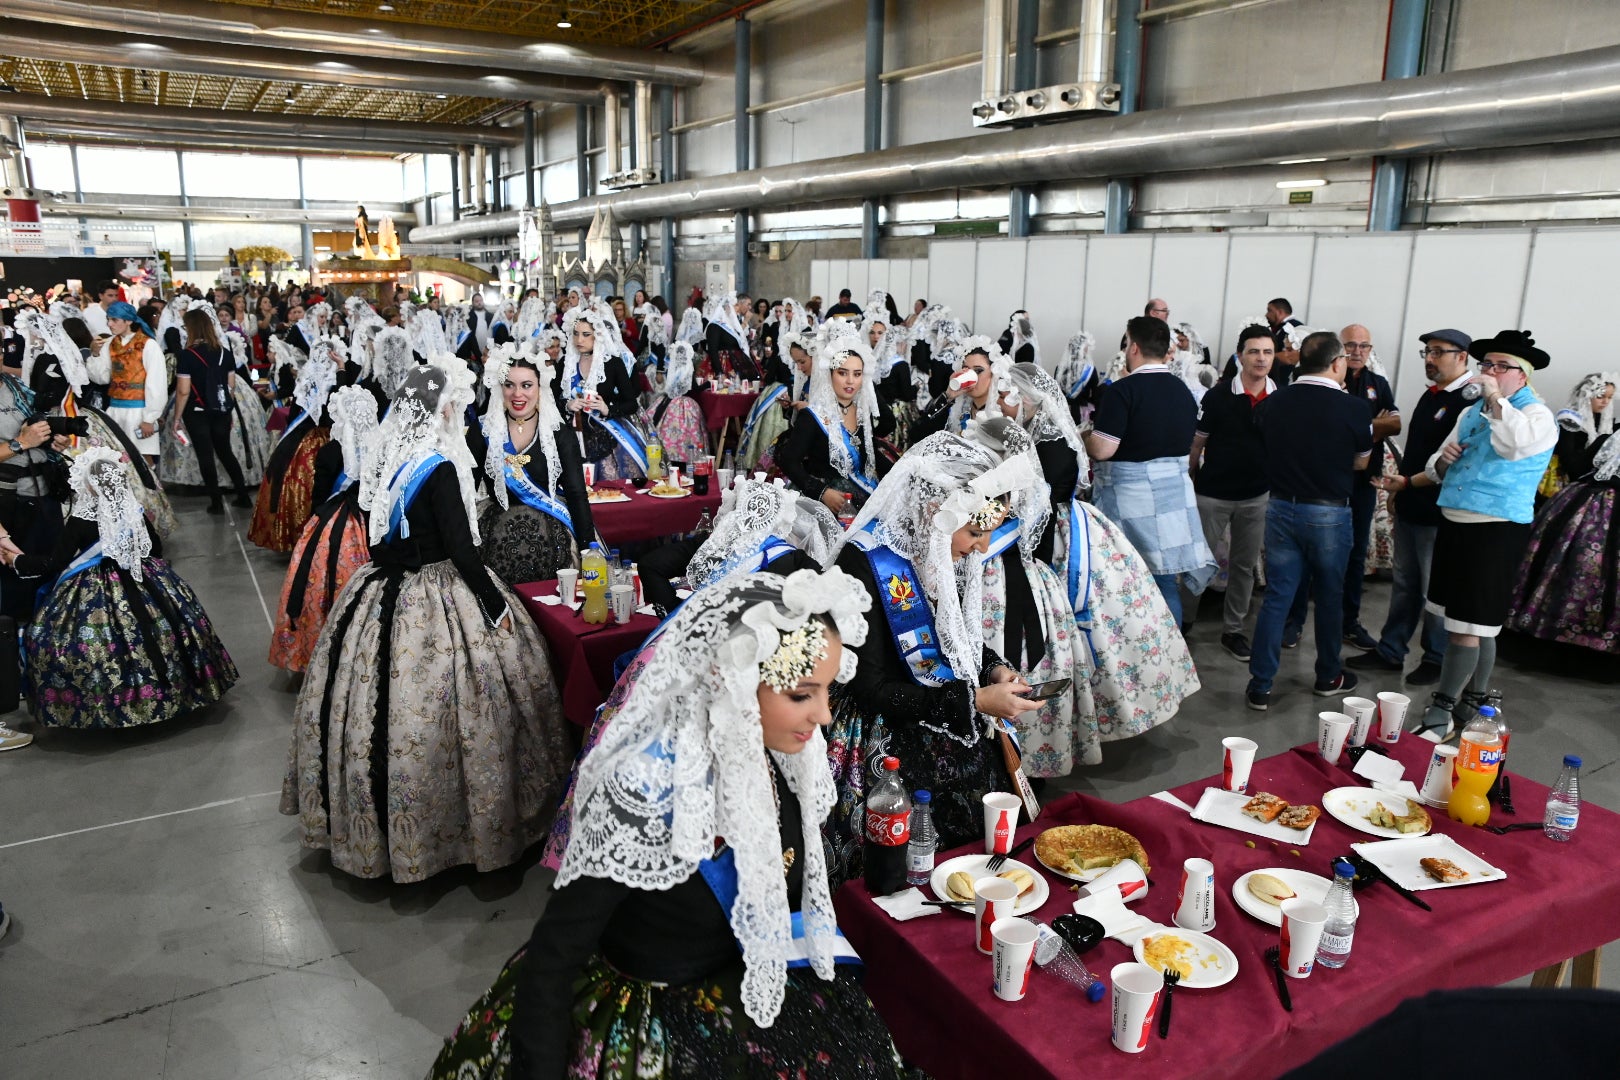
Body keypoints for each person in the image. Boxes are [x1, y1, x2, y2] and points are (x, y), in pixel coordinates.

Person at [428, 569, 903, 1080]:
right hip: (649, 1018)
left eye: (826, 692)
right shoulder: (639, 789)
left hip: (746, 986)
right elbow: (555, 954)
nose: (825, 717)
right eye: (802, 695)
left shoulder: (771, 759)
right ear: (733, 680)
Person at [281, 360, 571, 883]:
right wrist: (495, 604)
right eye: (456, 405)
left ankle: (374, 832)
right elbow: (462, 550)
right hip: (440, 588)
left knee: (371, 708)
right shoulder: (439, 464)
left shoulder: (391, 455)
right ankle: (467, 833)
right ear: (441, 409)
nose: (460, 414)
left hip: (379, 588)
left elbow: (376, 539)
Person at [826, 432, 1039, 880]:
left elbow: (947, 632)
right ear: (932, 512)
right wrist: (976, 702)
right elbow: (869, 685)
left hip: (945, 709)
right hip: (883, 735)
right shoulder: (864, 562)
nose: (982, 547)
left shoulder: (936, 547)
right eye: (977, 532)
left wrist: (991, 666)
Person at [6, 448, 237, 728]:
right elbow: (155, 549)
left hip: (93, 588)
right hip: (145, 578)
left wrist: (18, 560)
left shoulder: (80, 521)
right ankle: (177, 692)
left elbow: (56, 562)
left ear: (89, 485)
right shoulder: (135, 513)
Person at [1404, 330, 1556, 741]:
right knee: (1476, 622)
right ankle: (1475, 700)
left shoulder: (1537, 416)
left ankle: (1443, 709)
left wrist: (1494, 399)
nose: (1488, 372)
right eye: (1486, 365)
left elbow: (1513, 446)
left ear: (1521, 375)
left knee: (1468, 625)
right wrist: (1443, 461)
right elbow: (1439, 460)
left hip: (1496, 528)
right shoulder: (1470, 412)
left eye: (1499, 366)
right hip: (1455, 519)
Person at [1244, 332, 1374, 711]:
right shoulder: (1353, 409)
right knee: (1330, 595)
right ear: (1336, 364)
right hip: (1329, 511)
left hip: (1282, 506)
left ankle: (1261, 685)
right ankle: (1327, 675)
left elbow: (1265, 446)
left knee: (1277, 596)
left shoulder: (1275, 401)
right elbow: (1362, 460)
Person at [964, 416, 1095, 777]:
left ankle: (1018, 761)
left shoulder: (1010, 491)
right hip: (1014, 581)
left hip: (1000, 584)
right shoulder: (1014, 488)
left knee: (1016, 670)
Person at [1352, 329, 1474, 685]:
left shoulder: (1466, 402)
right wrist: (1398, 491)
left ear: (1462, 356)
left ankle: (1435, 657)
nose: (1430, 359)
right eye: (1427, 352)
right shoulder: (1432, 396)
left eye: (1439, 352)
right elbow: (1415, 451)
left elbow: (1453, 463)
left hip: (1440, 512)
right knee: (1405, 583)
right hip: (1412, 503)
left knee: (1432, 591)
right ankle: (1391, 649)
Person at [1084, 315, 1213, 627]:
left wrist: (1084, 437)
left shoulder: (1123, 391)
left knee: (1125, 580)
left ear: (1134, 348)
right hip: (1174, 499)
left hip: (1132, 501)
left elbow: (1103, 449)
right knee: (1166, 581)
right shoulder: (1183, 390)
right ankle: (1174, 654)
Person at [1283, 324, 1402, 651]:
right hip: (1321, 486)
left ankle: (1349, 623)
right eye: (1351, 345)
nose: (1358, 351)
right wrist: (1367, 427)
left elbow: (1395, 423)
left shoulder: (1377, 384)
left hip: (1362, 485)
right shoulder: (1319, 381)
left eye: (1364, 345)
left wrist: (1357, 428)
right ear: (1338, 349)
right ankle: (1293, 621)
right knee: (1305, 556)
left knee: (1354, 555)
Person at [268, 385, 378, 674]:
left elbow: (319, 498)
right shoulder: (381, 447)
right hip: (374, 522)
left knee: (320, 585)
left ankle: (319, 650)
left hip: (334, 529)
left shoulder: (330, 451)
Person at [468, 343, 595, 587]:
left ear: (540, 387)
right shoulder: (481, 431)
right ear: (499, 387)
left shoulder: (559, 433)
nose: (518, 394)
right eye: (509, 385)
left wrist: (589, 549)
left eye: (527, 385)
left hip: (554, 536)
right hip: (493, 538)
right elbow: (465, 492)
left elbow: (577, 494)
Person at [1187, 325, 1275, 661]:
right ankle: (1185, 623)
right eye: (1254, 351)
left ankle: (1233, 630)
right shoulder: (1219, 395)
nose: (1261, 358)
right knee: (1200, 562)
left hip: (1256, 496)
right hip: (1213, 494)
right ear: (1240, 356)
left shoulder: (1280, 397)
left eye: (1267, 352)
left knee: (1243, 565)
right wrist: (1190, 480)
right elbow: (1197, 442)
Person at [1509, 415, 1619, 654]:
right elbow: (1579, 467)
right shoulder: (1606, 437)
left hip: (1587, 500)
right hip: (1588, 500)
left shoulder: (1607, 436)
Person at [779, 324, 892, 519]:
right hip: (824, 502)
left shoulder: (861, 414)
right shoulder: (813, 416)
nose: (850, 381)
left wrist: (902, 474)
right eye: (842, 373)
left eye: (857, 374)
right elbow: (788, 460)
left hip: (858, 494)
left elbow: (869, 453)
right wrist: (822, 492)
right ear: (830, 374)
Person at [249, 338, 339, 552]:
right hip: (327, 438)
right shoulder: (337, 381)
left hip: (303, 440)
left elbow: (295, 414)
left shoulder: (307, 381)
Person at [171, 307, 254, 514]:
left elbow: (183, 391)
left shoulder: (186, 356)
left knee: (205, 455)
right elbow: (231, 386)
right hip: (221, 409)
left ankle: (216, 503)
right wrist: (228, 409)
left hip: (196, 411)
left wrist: (176, 418)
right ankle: (243, 495)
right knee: (225, 451)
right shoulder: (224, 353)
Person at [560, 300, 646, 482]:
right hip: (570, 435)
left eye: (585, 334)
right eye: (575, 334)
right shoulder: (565, 364)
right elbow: (549, 399)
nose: (579, 340)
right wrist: (568, 404)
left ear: (597, 336)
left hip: (605, 434)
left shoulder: (613, 363)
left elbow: (631, 403)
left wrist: (608, 409)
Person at [86, 301, 166, 462]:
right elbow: (101, 378)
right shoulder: (110, 344)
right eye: (108, 319)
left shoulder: (148, 345)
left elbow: (156, 383)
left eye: (114, 320)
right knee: (116, 457)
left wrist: (149, 418)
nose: (109, 324)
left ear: (128, 321)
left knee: (143, 458)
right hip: (115, 409)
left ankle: (149, 488)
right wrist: (94, 354)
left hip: (139, 410)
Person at [912, 337, 1013, 441]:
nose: (971, 375)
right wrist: (948, 396)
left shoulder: (1002, 413)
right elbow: (917, 434)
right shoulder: (956, 409)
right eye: (966, 369)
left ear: (994, 374)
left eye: (978, 371)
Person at [1540, 371, 1618, 501]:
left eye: (1610, 397)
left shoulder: (1605, 421)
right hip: (1569, 479)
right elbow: (1568, 458)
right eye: (1600, 396)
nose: (1605, 402)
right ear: (1586, 395)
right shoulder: (1570, 419)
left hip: (1588, 478)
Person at [641, 340, 708, 473]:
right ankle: (685, 459)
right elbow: (693, 389)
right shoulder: (688, 369)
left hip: (668, 403)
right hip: (685, 405)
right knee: (687, 433)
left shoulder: (672, 370)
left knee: (665, 430)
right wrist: (708, 385)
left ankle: (668, 458)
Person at [701, 291, 758, 380]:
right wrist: (719, 372)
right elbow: (713, 350)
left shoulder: (731, 326)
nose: (737, 308)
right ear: (725, 308)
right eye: (735, 305)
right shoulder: (714, 326)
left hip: (735, 364)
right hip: (722, 365)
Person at [1266, 298, 1304, 384]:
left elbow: (1288, 357)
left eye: (1269, 310)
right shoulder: (1281, 328)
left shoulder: (1293, 327)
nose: (1266, 315)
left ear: (1280, 312)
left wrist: (1265, 356)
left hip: (1286, 380)